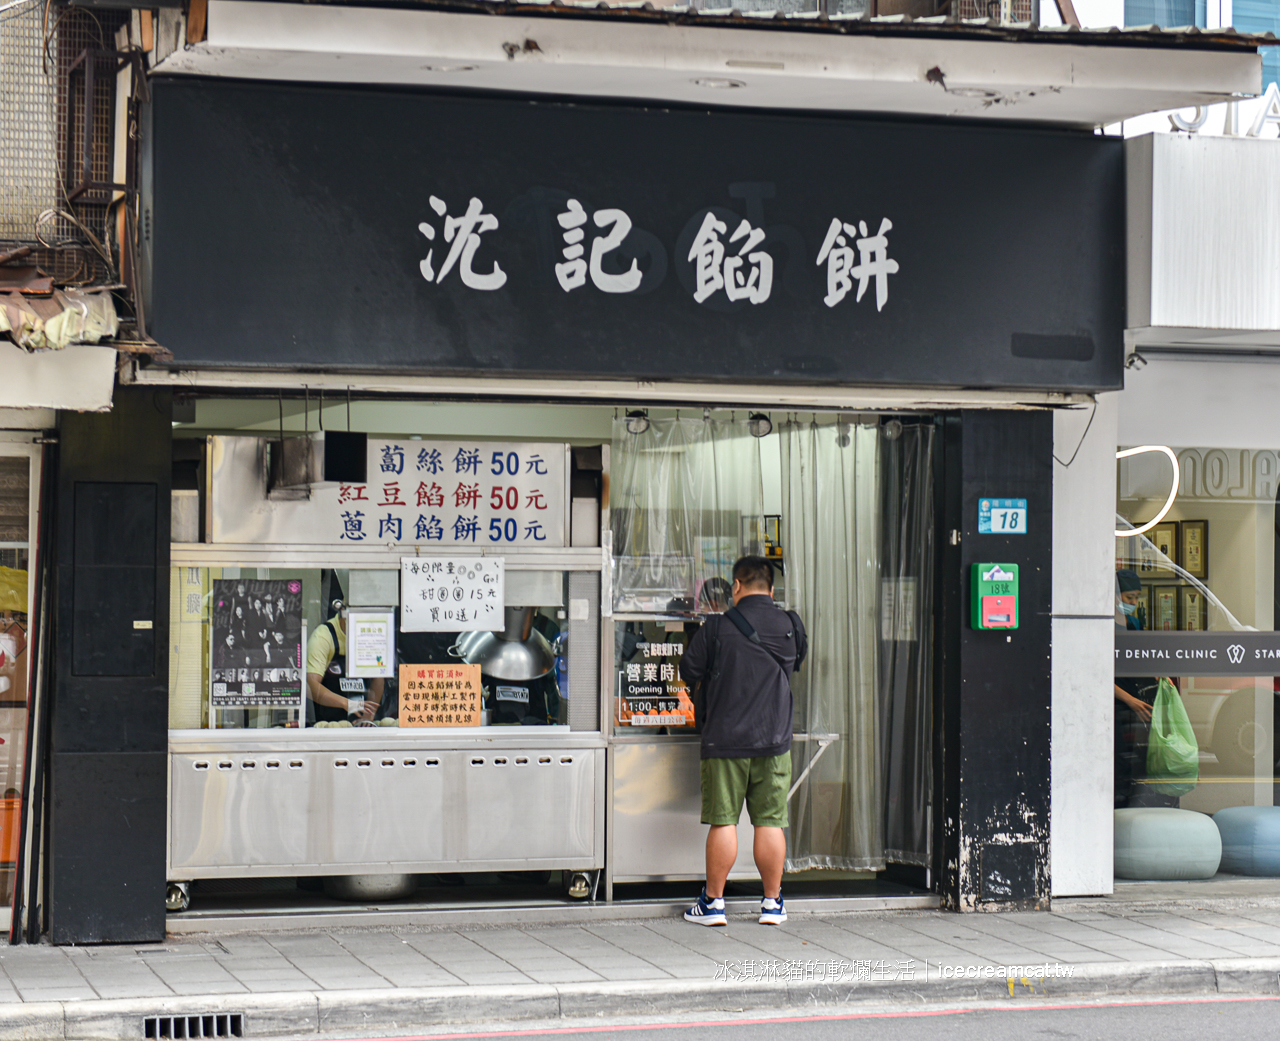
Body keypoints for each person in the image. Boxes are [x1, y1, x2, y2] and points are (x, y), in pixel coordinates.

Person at [678, 555, 807, 927]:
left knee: (724, 823)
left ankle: (714, 904)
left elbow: (689, 669)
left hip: (725, 741)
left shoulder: (718, 628)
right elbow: (794, 663)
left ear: (735, 586)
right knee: (770, 822)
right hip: (774, 740)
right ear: (770, 588)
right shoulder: (789, 625)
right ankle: (771, 904)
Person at [1113, 568, 1177, 808]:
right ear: (1115, 596)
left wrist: (1158, 672)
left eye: (1137, 597)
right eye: (1129, 597)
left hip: (1134, 701)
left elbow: (1140, 657)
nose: (1134, 602)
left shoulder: (1134, 622)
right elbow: (1098, 674)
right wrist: (1128, 700)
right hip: (1115, 700)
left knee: (1134, 760)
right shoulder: (1103, 625)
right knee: (1117, 758)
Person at [305, 602, 383, 723]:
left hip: (361, 721)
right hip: (329, 722)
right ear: (343, 612)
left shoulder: (370, 633)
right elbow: (311, 686)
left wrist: (368, 715)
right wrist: (347, 704)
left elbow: (378, 676)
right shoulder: (322, 637)